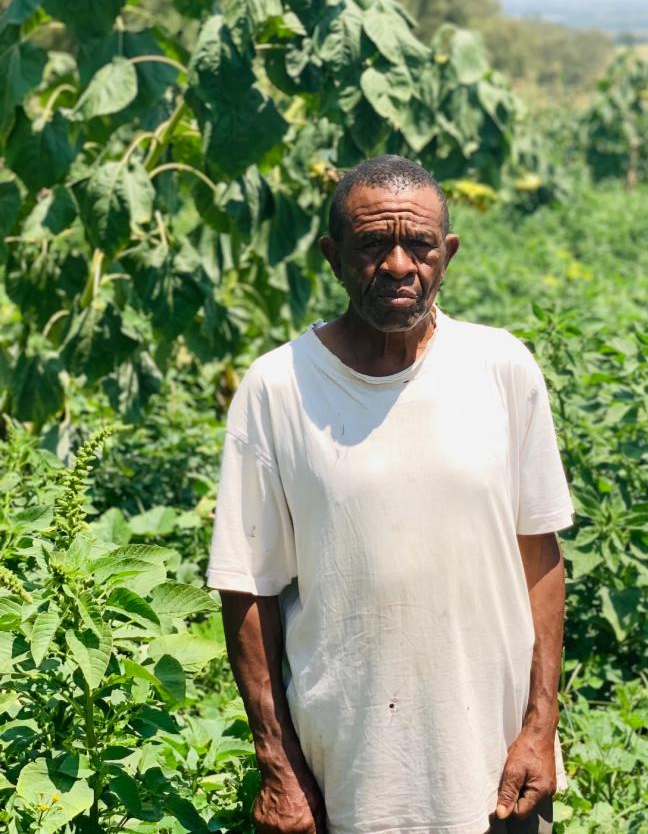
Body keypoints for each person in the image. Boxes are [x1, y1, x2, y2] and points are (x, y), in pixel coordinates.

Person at [206, 155, 574, 834]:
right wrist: (277, 764)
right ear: (333, 257)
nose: (400, 265)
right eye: (374, 245)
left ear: (449, 253)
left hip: (497, 777)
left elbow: (541, 561)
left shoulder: (501, 368)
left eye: (420, 246)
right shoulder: (278, 388)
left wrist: (539, 729)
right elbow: (247, 588)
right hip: (344, 778)